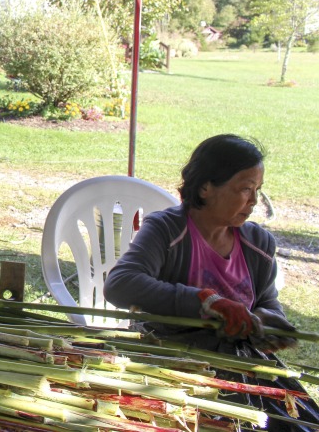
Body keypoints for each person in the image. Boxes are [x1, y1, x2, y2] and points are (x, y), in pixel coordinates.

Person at [104, 134, 319, 430]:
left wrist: (270, 323)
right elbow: (120, 284)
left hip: (241, 364)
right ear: (206, 187)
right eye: (245, 189)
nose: (254, 201)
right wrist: (206, 301)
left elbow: (266, 301)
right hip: (177, 363)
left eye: (258, 190)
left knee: (303, 422)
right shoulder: (166, 230)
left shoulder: (258, 243)